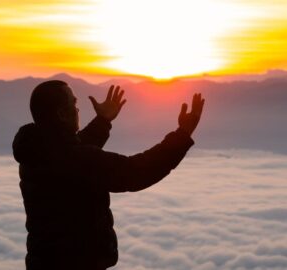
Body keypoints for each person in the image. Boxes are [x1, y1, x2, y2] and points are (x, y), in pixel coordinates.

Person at [12, 80, 204, 270]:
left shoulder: (36, 151)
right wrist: (182, 134)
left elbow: (74, 151)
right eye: (74, 103)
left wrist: (102, 121)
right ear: (62, 114)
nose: (78, 110)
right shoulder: (73, 160)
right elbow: (135, 172)